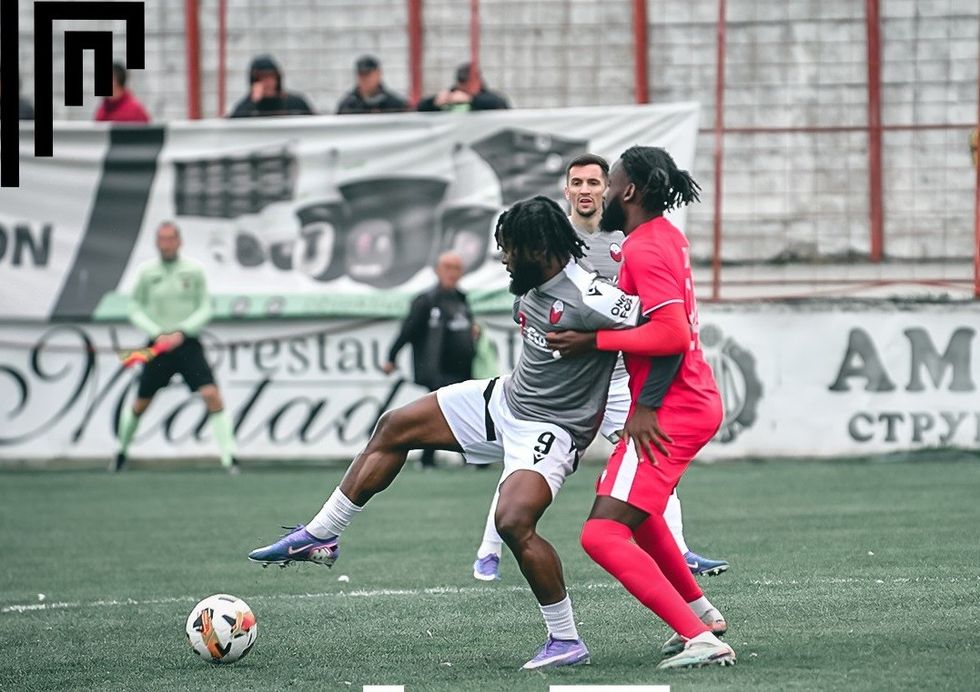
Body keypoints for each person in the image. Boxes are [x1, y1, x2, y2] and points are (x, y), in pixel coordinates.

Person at [248, 196, 645, 670]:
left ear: (538, 249)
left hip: (552, 429)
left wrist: (609, 356)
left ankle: (566, 640)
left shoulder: (593, 296)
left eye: (509, 249)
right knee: (394, 426)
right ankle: (322, 534)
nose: (502, 257)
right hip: (506, 400)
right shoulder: (531, 284)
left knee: (513, 523)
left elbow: (664, 330)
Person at [472, 153, 729, 581]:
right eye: (578, 183)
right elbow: (532, 291)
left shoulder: (627, 240)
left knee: (648, 461)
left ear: (610, 188)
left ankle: (680, 550)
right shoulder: (553, 237)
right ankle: (490, 549)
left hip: (622, 378)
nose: (587, 190)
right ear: (567, 190)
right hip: (573, 378)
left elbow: (655, 320)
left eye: (595, 182)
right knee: (525, 457)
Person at [547, 146, 735, 670]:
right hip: (686, 400)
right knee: (635, 507)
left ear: (627, 190)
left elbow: (672, 336)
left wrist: (597, 348)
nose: (603, 192)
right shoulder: (663, 236)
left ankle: (702, 640)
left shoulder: (645, 248)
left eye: (611, 183)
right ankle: (701, 614)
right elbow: (657, 323)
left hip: (672, 408)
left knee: (600, 534)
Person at [113, 222, 239, 474]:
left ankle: (230, 457)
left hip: (187, 344)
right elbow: (134, 308)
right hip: (158, 346)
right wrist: (156, 332)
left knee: (211, 395)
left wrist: (182, 330)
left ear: (179, 241)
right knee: (141, 402)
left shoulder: (193, 270)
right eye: (162, 239)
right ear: (156, 242)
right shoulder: (147, 272)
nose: (166, 244)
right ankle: (121, 452)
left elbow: (205, 307)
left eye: (170, 239)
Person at [382, 251, 477, 468]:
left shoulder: (461, 299)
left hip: (462, 368)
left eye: (456, 268)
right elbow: (407, 331)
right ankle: (435, 458)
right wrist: (391, 357)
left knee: (457, 413)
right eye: (448, 268)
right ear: (437, 270)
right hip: (436, 368)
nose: (452, 273)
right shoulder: (426, 300)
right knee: (440, 413)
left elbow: (467, 325)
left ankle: (452, 458)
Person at [228, 55, 314, 118]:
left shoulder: (295, 103)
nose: (267, 83)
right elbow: (234, 126)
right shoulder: (247, 108)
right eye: (262, 78)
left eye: (271, 77)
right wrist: (252, 102)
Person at [417, 62, 509, 112]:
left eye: (468, 82)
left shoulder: (490, 98)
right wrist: (433, 102)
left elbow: (500, 104)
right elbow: (420, 108)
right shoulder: (451, 95)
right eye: (462, 82)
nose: (465, 86)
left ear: (479, 81)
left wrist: (470, 99)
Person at [336, 55, 408, 114]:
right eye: (361, 74)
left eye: (368, 74)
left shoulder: (395, 105)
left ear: (379, 73)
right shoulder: (348, 106)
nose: (364, 79)